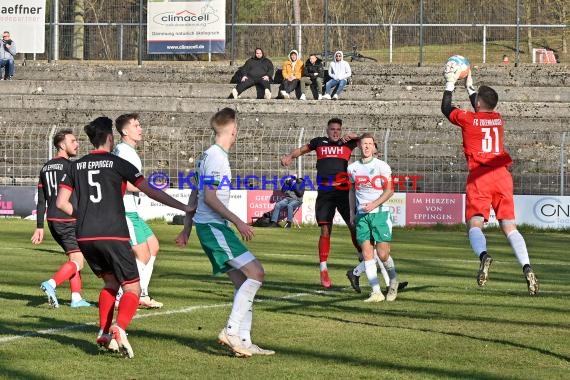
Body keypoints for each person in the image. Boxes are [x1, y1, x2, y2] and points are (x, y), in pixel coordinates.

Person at [56, 116, 194, 358]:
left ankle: (103, 332)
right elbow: (150, 191)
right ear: (110, 137)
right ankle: (119, 327)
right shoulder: (117, 163)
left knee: (110, 283)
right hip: (113, 233)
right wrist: (183, 207)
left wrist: (85, 216)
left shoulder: (75, 166)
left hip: (86, 235)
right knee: (132, 287)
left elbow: (61, 203)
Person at [441, 63, 539, 295]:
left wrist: (450, 82)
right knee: (509, 226)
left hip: (480, 175)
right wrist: (470, 86)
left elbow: (446, 108)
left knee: (475, 223)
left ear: (477, 104)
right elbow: (480, 107)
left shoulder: (468, 119)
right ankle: (527, 267)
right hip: (503, 176)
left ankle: (484, 256)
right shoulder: (498, 118)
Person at [192, 107, 274, 357]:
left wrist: (186, 229)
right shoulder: (217, 158)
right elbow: (209, 197)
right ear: (233, 130)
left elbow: (195, 195)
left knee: (243, 282)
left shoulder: (206, 156)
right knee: (256, 273)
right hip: (213, 227)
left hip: (210, 227)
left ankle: (244, 342)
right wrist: (239, 222)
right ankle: (231, 331)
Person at [281, 118, 362, 288]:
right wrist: (289, 156)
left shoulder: (348, 143)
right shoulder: (319, 142)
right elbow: (302, 150)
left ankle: (363, 257)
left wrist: (355, 136)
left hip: (344, 191)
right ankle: (323, 268)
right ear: (327, 130)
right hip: (325, 192)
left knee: (353, 225)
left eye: (338, 129)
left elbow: (370, 142)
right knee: (325, 229)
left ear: (341, 130)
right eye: (332, 129)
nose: (335, 132)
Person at [31, 129, 91, 308]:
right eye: (73, 141)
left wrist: (39, 226)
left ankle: (76, 298)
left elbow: (42, 200)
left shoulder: (46, 167)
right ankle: (52, 283)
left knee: (75, 257)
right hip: (68, 218)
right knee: (78, 261)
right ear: (61, 145)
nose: (77, 144)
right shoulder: (70, 167)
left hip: (53, 220)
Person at [112, 113, 163, 309]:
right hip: (125, 211)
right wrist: (150, 189)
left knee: (154, 246)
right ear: (125, 131)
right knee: (142, 255)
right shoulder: (124, 152)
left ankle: (142, 293)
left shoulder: (127, 150)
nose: (140, 128)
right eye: (135, 125)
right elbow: (122, 183)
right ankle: (121, 296)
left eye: (140, 125)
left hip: (132, 210)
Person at [347, 133, 400, 302]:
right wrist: (351, 212)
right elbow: (352, 191)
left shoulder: (381, 166)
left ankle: (393, 280)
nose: (367, 146)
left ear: (374, 146)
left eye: (370, 143)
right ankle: (376, 291)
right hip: (362, 216)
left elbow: (390, 190)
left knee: (383, 254)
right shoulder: (352, 168)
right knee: (367, 255)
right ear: (359, 146)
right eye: (364, 143)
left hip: (380, 214)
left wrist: (374, 204)